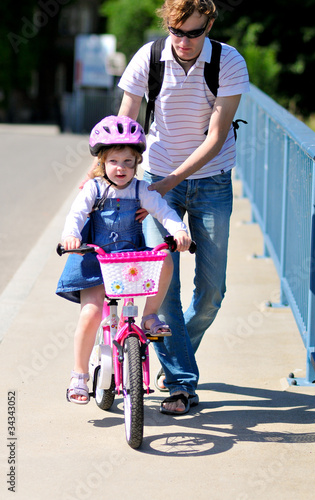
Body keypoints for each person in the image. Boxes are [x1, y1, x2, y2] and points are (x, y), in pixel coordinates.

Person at [115, 0, 250, 415]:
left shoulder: (229, 61)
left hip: (211, 181)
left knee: (212, 292)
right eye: (178, 32)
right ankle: (180, 383)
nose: (185, 41)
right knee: (164, 283)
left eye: (195, 32)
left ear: (209, 25)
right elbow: (127, 123)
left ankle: (175, 352)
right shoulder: (149, 57)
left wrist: (173, 179)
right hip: (157, 182)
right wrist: (111, 177)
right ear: (168, 25)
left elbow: (215, 136)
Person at [56, 115, 192, 404]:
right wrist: (71, 236)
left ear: (137, 164)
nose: (122, 168)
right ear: (102, 162)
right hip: (95, 261)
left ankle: (150, 315)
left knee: (165, 259)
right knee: (91, 312)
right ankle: (79, 374)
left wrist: (179, 231)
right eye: (115, 161)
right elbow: (77, 214)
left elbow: (164, 211)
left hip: (129, 263)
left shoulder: (141, 190)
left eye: (129, 162)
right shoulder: (94, 189)